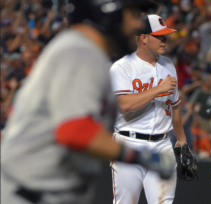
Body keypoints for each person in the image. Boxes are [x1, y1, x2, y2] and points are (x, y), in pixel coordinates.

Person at [0, 1, 176, 204]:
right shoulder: (80, 51)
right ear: (108, 13)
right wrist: (139, 157)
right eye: (133, 14)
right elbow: (74, 131)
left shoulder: (81, 50)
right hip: (30, 194)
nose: (137, 25)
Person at [109, 14, 188, 204]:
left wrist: (182, 140)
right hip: (129, 143)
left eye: (165, 36)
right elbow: (125, 105)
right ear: (143, 37)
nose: (165, 40)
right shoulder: (122, 67)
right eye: (159, 36)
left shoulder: (168, 65)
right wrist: (159, 89)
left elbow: (174, 106)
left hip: (162, 145)